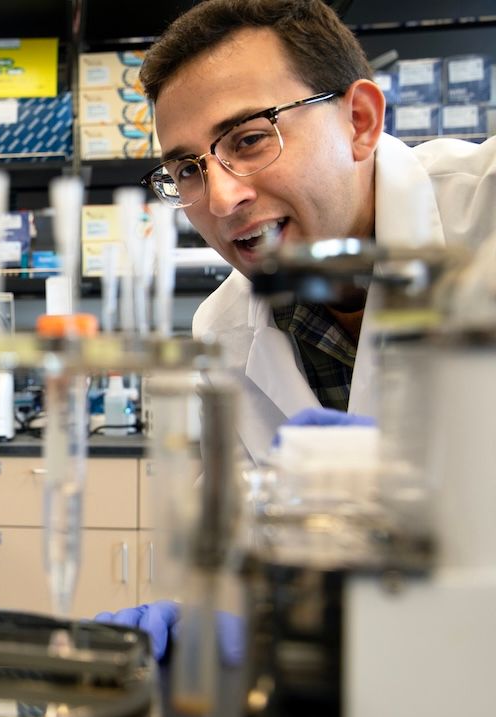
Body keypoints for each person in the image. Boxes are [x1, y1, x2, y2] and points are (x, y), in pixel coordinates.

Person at [138, 0, 496, 464]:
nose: (222, 200)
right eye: (187, 170)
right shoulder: (223, 329)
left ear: (360, 121)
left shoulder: (484, 207)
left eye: (249, 139)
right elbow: (239, 514)